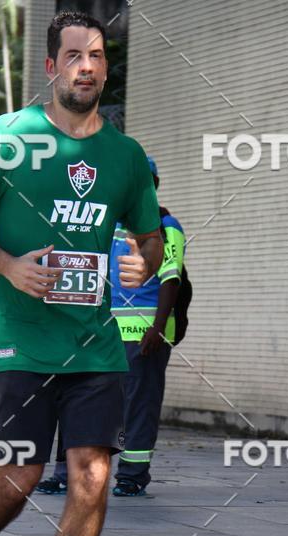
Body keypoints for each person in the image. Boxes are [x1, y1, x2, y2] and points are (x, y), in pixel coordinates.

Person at [0, 10, 163, 536]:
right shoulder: (11, 136)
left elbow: (150, 237)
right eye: (74, 56)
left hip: (94, 342)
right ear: (51, 66)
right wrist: (9, 266)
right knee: (20, 473)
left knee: (92, 476)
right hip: (19, 337)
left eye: (96, 56)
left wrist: (142, 259)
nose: (87, 67)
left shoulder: (124, 155)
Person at [37, 157, 185, 496]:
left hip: (146, 331)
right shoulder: (108, 224)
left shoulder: (165, 224)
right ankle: (65, 472)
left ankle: (132, 475)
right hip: (101, 330)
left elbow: (171, 279)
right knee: (78, 399)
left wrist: (158, 328)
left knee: (139, 403)